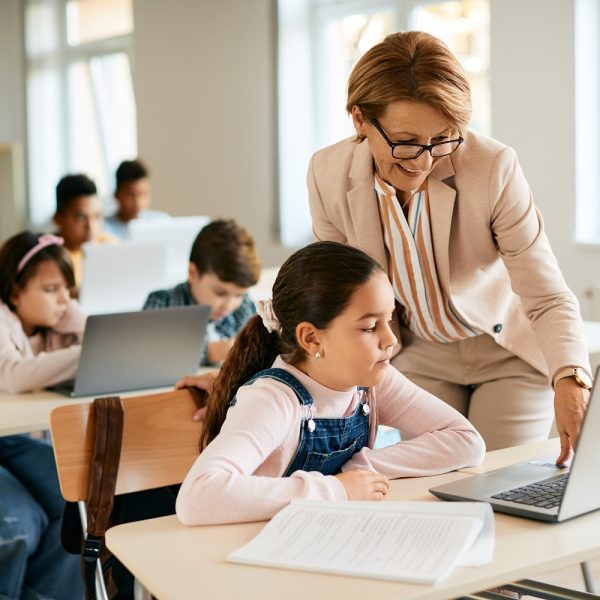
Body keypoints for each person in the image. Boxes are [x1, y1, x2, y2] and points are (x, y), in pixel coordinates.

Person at [307, 31, 591, 462]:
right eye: (405, 140)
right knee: (439, 485)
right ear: (360, 120)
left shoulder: (492, 166)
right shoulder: (327, 174)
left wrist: (571, 380)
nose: (422, 160)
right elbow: (329, 296)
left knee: (504, 484)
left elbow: (546, 294)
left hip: (507, 351)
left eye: (442, 138)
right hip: (418, 354)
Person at [176, 241, 485, 526]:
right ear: (311, 338)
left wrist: (363, 466)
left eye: (389, 320)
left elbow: (466, 441)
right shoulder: (273, 399)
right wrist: (335, 488)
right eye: (369, 327)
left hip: (331, 535)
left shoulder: (373, 381)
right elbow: (198, 497)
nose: (390, 340)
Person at [0, 231, 84, 598]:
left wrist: (76, 318)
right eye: (51, 289)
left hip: (13, 440)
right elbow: (14, 374)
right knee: (19, 523)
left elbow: (102, 342)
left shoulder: (55, 325)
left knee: (76, 507)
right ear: (14, 293)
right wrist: (86, 350)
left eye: (68, 289)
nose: (64, 300)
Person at [143, 219, 260, 366]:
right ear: (193, 273)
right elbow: (147, 354)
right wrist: (211, 351)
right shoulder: (162, 303)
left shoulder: (245, 308)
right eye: (220, 293)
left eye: (239, 295)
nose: (229, 305)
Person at [53, 173, 117, 290]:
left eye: (97, 216)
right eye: (81, 218)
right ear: (58, 219)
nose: (91, 227)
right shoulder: (48, 256)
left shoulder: (110, 245)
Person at [103, 158, 169, 240]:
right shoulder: (103, 229)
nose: (138, 202)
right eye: (130, 194)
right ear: (116, 195)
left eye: (143, 194)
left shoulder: (161, 223)